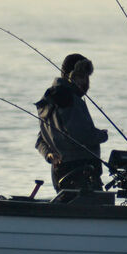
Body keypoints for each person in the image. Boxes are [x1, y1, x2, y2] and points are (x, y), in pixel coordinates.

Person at [35, 53, 109, 192]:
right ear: (69, 76)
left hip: (59, 173)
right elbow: (81, 135)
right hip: (82, 172)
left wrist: (49, 155)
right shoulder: (70, 100)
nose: (85, 82)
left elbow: (40, 140)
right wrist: (102, 135)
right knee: (94, 205)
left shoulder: (49, 98)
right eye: (80, 76)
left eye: (87, 77)